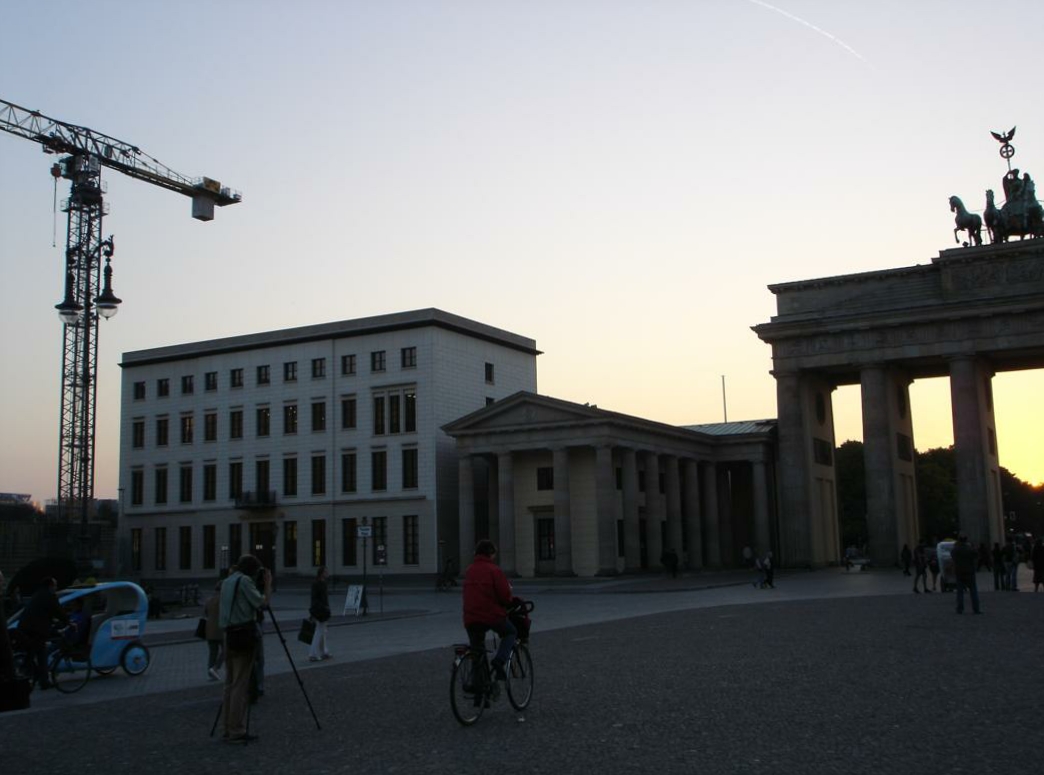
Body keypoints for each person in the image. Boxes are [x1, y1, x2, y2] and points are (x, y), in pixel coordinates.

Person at [219, 555, 271, 743]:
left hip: (229, 635)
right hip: (243, 635)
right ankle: (237, 730)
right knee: (240, 685)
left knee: (229, 683)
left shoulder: (227, 582)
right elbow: (262, 603)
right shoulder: (245, 581)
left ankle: (227, 727)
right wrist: (267, 585)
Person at [463, 540, 516, 682]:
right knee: (510, 632)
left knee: (477, 650)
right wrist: (509, 601)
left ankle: (478, 685)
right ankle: (499, 660)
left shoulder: (469, 570)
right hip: (491, 615)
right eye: (494, 554)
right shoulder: (494, 570)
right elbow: (505, 595)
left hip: (470, 617)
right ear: (490, 554)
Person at [16, 578, 67, 690]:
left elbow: (43, 613)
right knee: (41, 654)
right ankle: (40, 680)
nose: (56, 588)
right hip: (36, 630)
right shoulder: (49, 596)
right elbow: (58, 611)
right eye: (55, 585)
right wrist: (68, 622)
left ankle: (30, 673)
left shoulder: (38, 594)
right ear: (50, 586)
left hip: (26, 628)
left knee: (33, 652)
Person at [951, 535, 981, 615]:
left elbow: (952, 557)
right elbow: (977, 555)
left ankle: (960, 608)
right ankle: (976, 608)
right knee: (973, 591)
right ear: (966, 540)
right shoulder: (969, 549)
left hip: (959, 572)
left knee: (960, 592)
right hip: (969, 571)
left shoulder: (955, 550)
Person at [308, 565, 332, 662]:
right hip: (321, 610)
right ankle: (312, 654)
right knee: (319, 632)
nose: (327, 573)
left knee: (322, 632)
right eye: (326, 572)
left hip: (320, 610)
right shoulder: (319, 584)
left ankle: (323, 652)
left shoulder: (320, 583)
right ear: (322, 573)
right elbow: (318, 599)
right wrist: (325, 608)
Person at [204, 581, 224, 681]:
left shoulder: (209, 600)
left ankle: (211, 672)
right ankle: (216, 667)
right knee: (227, 650)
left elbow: (206, 613)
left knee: (212, 653)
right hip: (221, 629)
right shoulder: (224, 600)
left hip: (209, 630)